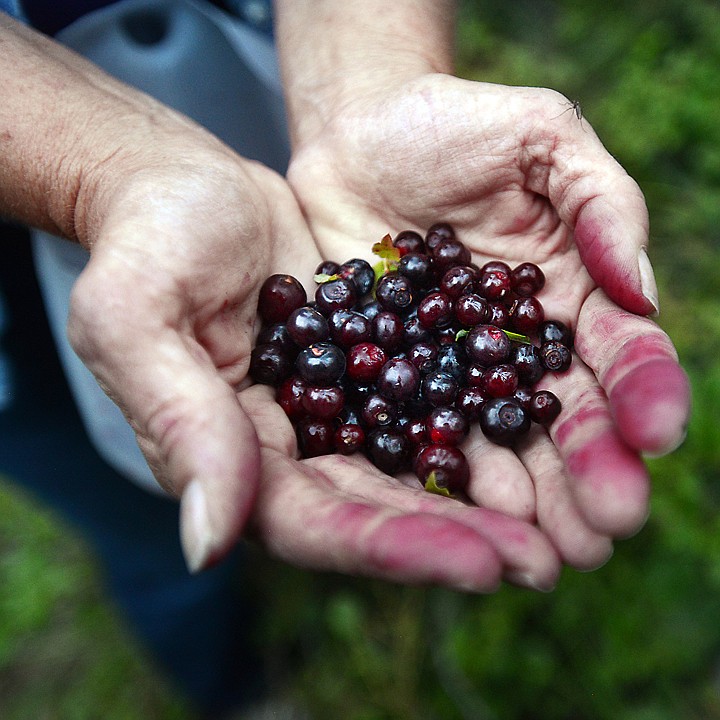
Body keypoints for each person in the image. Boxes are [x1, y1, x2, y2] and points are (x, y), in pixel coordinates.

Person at [0, 0, 691, 715]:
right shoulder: (359, 340)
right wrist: (100, 172)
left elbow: (420, 356)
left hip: (263, 63)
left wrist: (368, 68)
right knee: (141, 522)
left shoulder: (415, 339)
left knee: (205, 474)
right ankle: (230, 684)